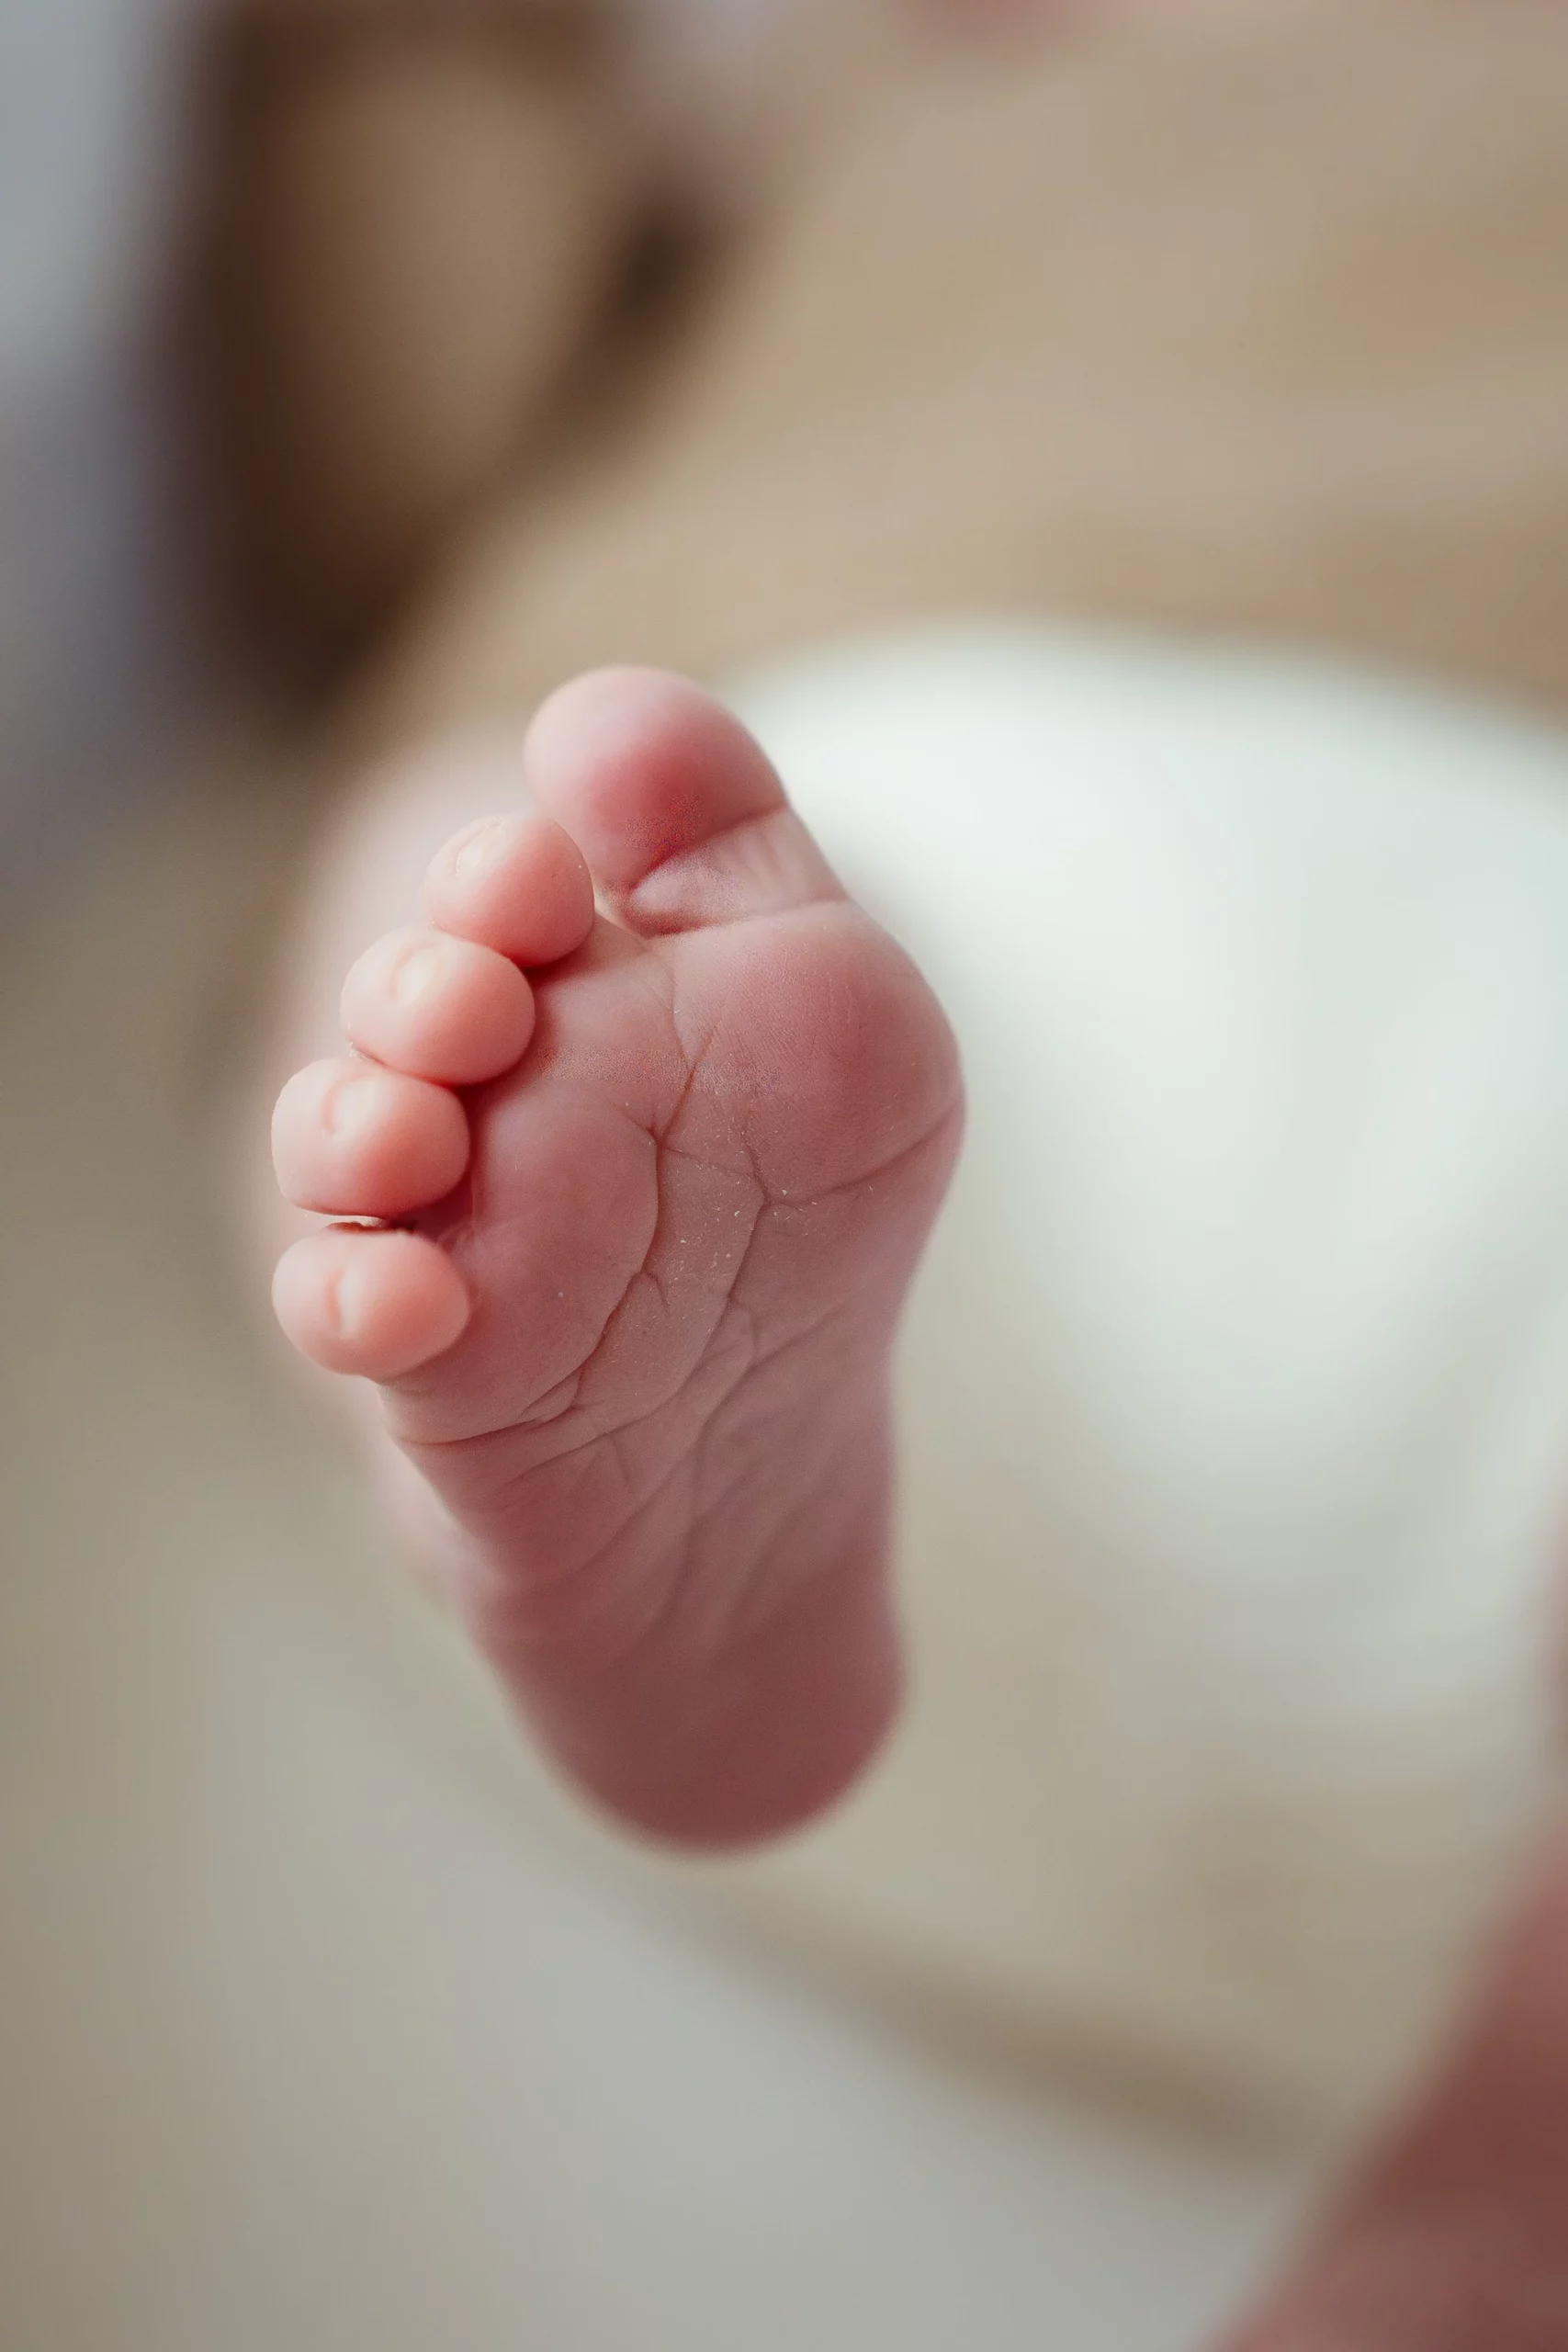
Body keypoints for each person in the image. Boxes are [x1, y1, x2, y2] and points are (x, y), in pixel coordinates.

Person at [246, 0, 1568, 2340]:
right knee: (511, 876)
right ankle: (1509, 2162)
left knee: (489, 864)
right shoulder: (857, 100)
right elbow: (378, 406)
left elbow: (373, 452)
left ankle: (1512, 2155)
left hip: (1050, 834)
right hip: (876, 805)